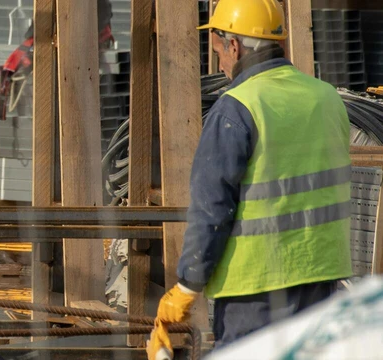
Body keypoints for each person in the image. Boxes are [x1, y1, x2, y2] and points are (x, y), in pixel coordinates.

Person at [148, 0, 353, 358]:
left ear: (234, 45)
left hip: (255, 290)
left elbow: (211, 207)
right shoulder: (327, 99)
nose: (221, 64)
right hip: (321, 280)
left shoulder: (237, 107)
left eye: (218, 51)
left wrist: (186, 285)